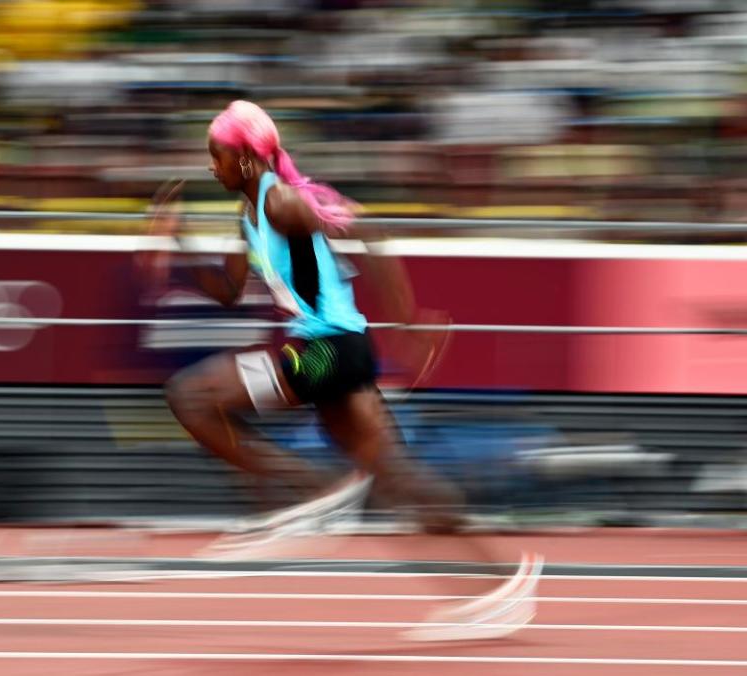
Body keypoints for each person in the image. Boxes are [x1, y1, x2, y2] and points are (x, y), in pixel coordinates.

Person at [141, 100, 542, 641]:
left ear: (244, 158)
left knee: (190, 395)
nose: (211, 167)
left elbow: (368, 230)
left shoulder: (282, 203)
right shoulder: (250, 215)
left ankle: (310, 494)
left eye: (216, 156)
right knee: (396, 481)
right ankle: (501, 587)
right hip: (334, 356)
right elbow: (229, 291)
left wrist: (406, 320)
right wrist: (179, 239)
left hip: (327, 352)